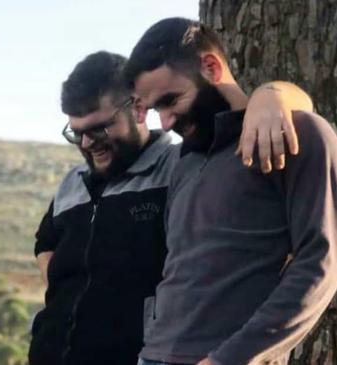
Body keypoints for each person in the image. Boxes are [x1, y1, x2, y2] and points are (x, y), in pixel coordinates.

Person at [29, 51, 313, 365]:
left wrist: (271, 94)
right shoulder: (73, 181)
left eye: (99, 129)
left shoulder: (184, 166)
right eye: (77, 133)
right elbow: (46, 242)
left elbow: (289, 107)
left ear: (138, 108)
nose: (86, 144)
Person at [123, 17, 337, 365]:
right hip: (154, 355)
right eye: (155, 109)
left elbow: (321, 265)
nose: (165, 122)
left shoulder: (299, 134)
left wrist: (232, 358)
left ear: (210, 67)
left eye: (171, 100)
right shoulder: (184, 163)